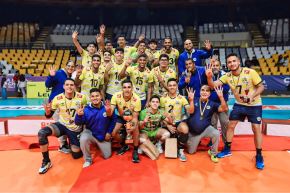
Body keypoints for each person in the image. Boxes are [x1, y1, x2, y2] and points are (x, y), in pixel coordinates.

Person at [205, 53, 265, 170]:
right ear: (227, 65)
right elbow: (213, 86)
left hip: (254, 104)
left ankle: (259, 154)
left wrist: (252, 96)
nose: (232, 64)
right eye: (229, 62)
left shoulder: (250, 72)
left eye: (234, 61)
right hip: (239, 104)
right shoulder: (227, 76)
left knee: (256, 128)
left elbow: (261, 87)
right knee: (230, 125)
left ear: (238, 62)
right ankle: (227, 149)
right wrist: (208, 77)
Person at [38, 78, 87, 174]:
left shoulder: (82, 97)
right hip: (62, 125)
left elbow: (86, 114)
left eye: (72, 85)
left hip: (75, 128)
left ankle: (72, 143)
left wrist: (83, 129)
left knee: (76, 155)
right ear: (63, 86)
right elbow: (48, 116)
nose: (69, 86)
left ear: (74, 87)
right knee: (42, 133)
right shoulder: (57, 98)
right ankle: (46, 161)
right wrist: (47, 112)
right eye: (67, 85)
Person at [187, 85, 228, 163]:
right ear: (200, 92)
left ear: (209, 94)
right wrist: (191, 100)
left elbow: (224, 108)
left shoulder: (212, 104)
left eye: (207, 91)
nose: (204, 92)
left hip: (205, 129)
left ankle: (213, 153)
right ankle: (192, 141)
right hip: (194, 133)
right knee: (191, 152)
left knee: (216, 133)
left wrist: (221, 97)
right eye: (203, 90)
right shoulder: (194, 100)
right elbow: (191, 111)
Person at [75, 88, 113, 168]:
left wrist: (109, 132)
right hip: (91, 133)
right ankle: (88, 159)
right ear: (90, 98)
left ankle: (99, 145)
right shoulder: (86, 109)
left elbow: (114, 120)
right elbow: (78, 123)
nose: (95, 98)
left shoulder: (107, 107)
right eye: (92, 96)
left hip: (103, 135)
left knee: (107, 156)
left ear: (101, 96)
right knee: (83, 138)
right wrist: (79, 115)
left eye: (97, 96)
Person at [45, 60, 76, 153]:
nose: (70, 68)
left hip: (65, 104)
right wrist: (51, 76)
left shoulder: (69, 76)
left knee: (66, 123)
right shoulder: (58, 73)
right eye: (69, 66)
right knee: (61, 124)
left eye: (72, 66)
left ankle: (66, 144)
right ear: (65, 66)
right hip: (57, 104)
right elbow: (47, 85)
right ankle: (62, 145)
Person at [160, 78, 195, 162]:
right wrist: (168, 125)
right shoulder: (163, 98)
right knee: (166, 135)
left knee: (185, 129)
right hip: (166, 123)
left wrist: (191, 100)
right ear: (167, 87)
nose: (172, 87)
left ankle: (180, 150)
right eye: (170, 85)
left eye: (174, 85)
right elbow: (161, 114)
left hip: (177, 122)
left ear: (177, 87)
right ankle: (159, 144)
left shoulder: (181, 98)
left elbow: (191, 111)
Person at [110, 79, 141, 163]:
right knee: (113, 133)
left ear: (132, 88)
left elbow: (135, 117)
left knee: (135, 129)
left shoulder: (137, 99)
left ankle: (135, 149)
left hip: (131, 118)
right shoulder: (116, 96)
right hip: (120, 117)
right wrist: (108, 110)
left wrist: (132, 126)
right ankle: (124, 145)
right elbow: (111, 112)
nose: (127, 89)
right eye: (124, 87)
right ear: (122, 89)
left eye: (129, 87)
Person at [209, 58, 230, 144]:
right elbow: (207, 88)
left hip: (222, 103)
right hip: (212, 104)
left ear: (220, 66)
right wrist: (216, 88)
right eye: (213, 65)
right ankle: (212, 142)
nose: (215, 67)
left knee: (224, 123)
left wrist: (212, 88)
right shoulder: (208, 75)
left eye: (217, 65)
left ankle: (226, 143)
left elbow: (226, 88)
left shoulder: (225, 75)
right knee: (212, 124)